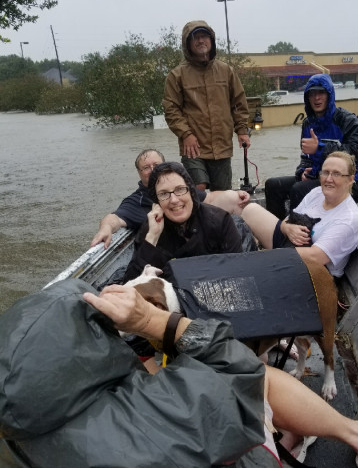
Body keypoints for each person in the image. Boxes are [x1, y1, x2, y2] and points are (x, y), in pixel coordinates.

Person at [0, 278, 358, 468]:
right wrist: (151, 322)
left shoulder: (10, 434)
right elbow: (241, 369)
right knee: (259, 388)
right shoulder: (152, 411)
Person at [91, 148, 250, 248]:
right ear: (139, 173)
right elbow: (114, 218)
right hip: (168, 252)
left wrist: (235, 194)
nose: (152, 170)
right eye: (146, 167)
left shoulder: (182, 188)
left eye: (156, 164)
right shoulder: (136, 201)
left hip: (198, 242)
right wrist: (105, 228)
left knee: (239, 203)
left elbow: (209, 198)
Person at [265, 73, 358, 219]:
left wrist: (320, 148)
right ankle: (277, 231)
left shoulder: (346, 119)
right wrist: (302, 172)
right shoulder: (308, 123)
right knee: (273, 185)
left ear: (329, 95)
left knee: (299, 190)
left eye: (321, 93)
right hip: (322, 175)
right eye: (312, 94)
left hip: (354, 180)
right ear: (307, 98)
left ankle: (301, 236)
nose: (316, 98)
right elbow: (306, 158)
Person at [242, 151, 358, 278]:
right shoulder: (317, 193)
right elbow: (288, 220)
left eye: (336, 174)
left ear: (350, 179)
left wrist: (269, 256)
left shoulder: (349, 219)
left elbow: (315, 257)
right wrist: (287, 228)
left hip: (314, 271)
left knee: (255, 266)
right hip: (290, 246)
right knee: (250, 210)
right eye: (325, 172)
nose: (329, 179)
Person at [162, 20, 251, 191]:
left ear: (211, 40)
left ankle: (217, 218)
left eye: (204, 36)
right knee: (198, 187)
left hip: (222, 145)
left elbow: (239, 102)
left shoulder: (226, 71)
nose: (201, 41)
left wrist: (241, 130)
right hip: (193, 146)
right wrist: (186, 134)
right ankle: (196, 217)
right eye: (196, 37)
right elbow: (171, 109)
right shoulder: (176, 75)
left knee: (222, 193)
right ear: (188, 43)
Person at [122, 161, 244, 283]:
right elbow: (130, 285)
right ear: (156, 201)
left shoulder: (220, 221)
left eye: (180, 189)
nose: (174, 200)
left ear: (191, 191)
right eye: (164, 194)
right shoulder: (150, 229)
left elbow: (239, 272)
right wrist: (152, 238)